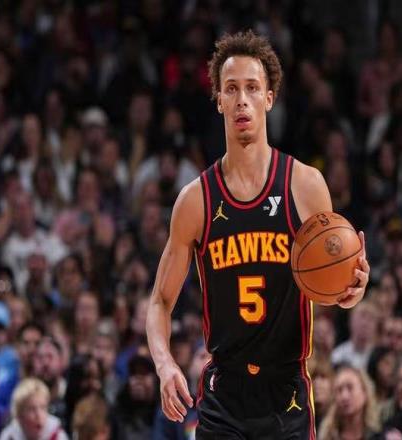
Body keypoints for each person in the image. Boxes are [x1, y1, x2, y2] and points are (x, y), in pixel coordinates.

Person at [146, 30, 370, 439]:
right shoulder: (195, 200)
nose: (242, 99)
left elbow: (332, 284)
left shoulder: (305, 184)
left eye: (252, 88)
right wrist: (164, 365)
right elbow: (160, 301)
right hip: (225, 393)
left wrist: (350, 289)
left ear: (269, 98)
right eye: (231, 89)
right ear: (218, 100)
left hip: (287, 391)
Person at [318, 365, 381, 439]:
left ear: (364, 392)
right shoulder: (327, 436)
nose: (344, 396)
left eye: (350, 388)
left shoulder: (379, 435)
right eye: (339, 390)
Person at [0, 378, 68, 440]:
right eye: (31, 409)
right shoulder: (9, 436)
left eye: (43, 407)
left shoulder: (58, 435)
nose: (39, 415)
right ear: (19, 415)